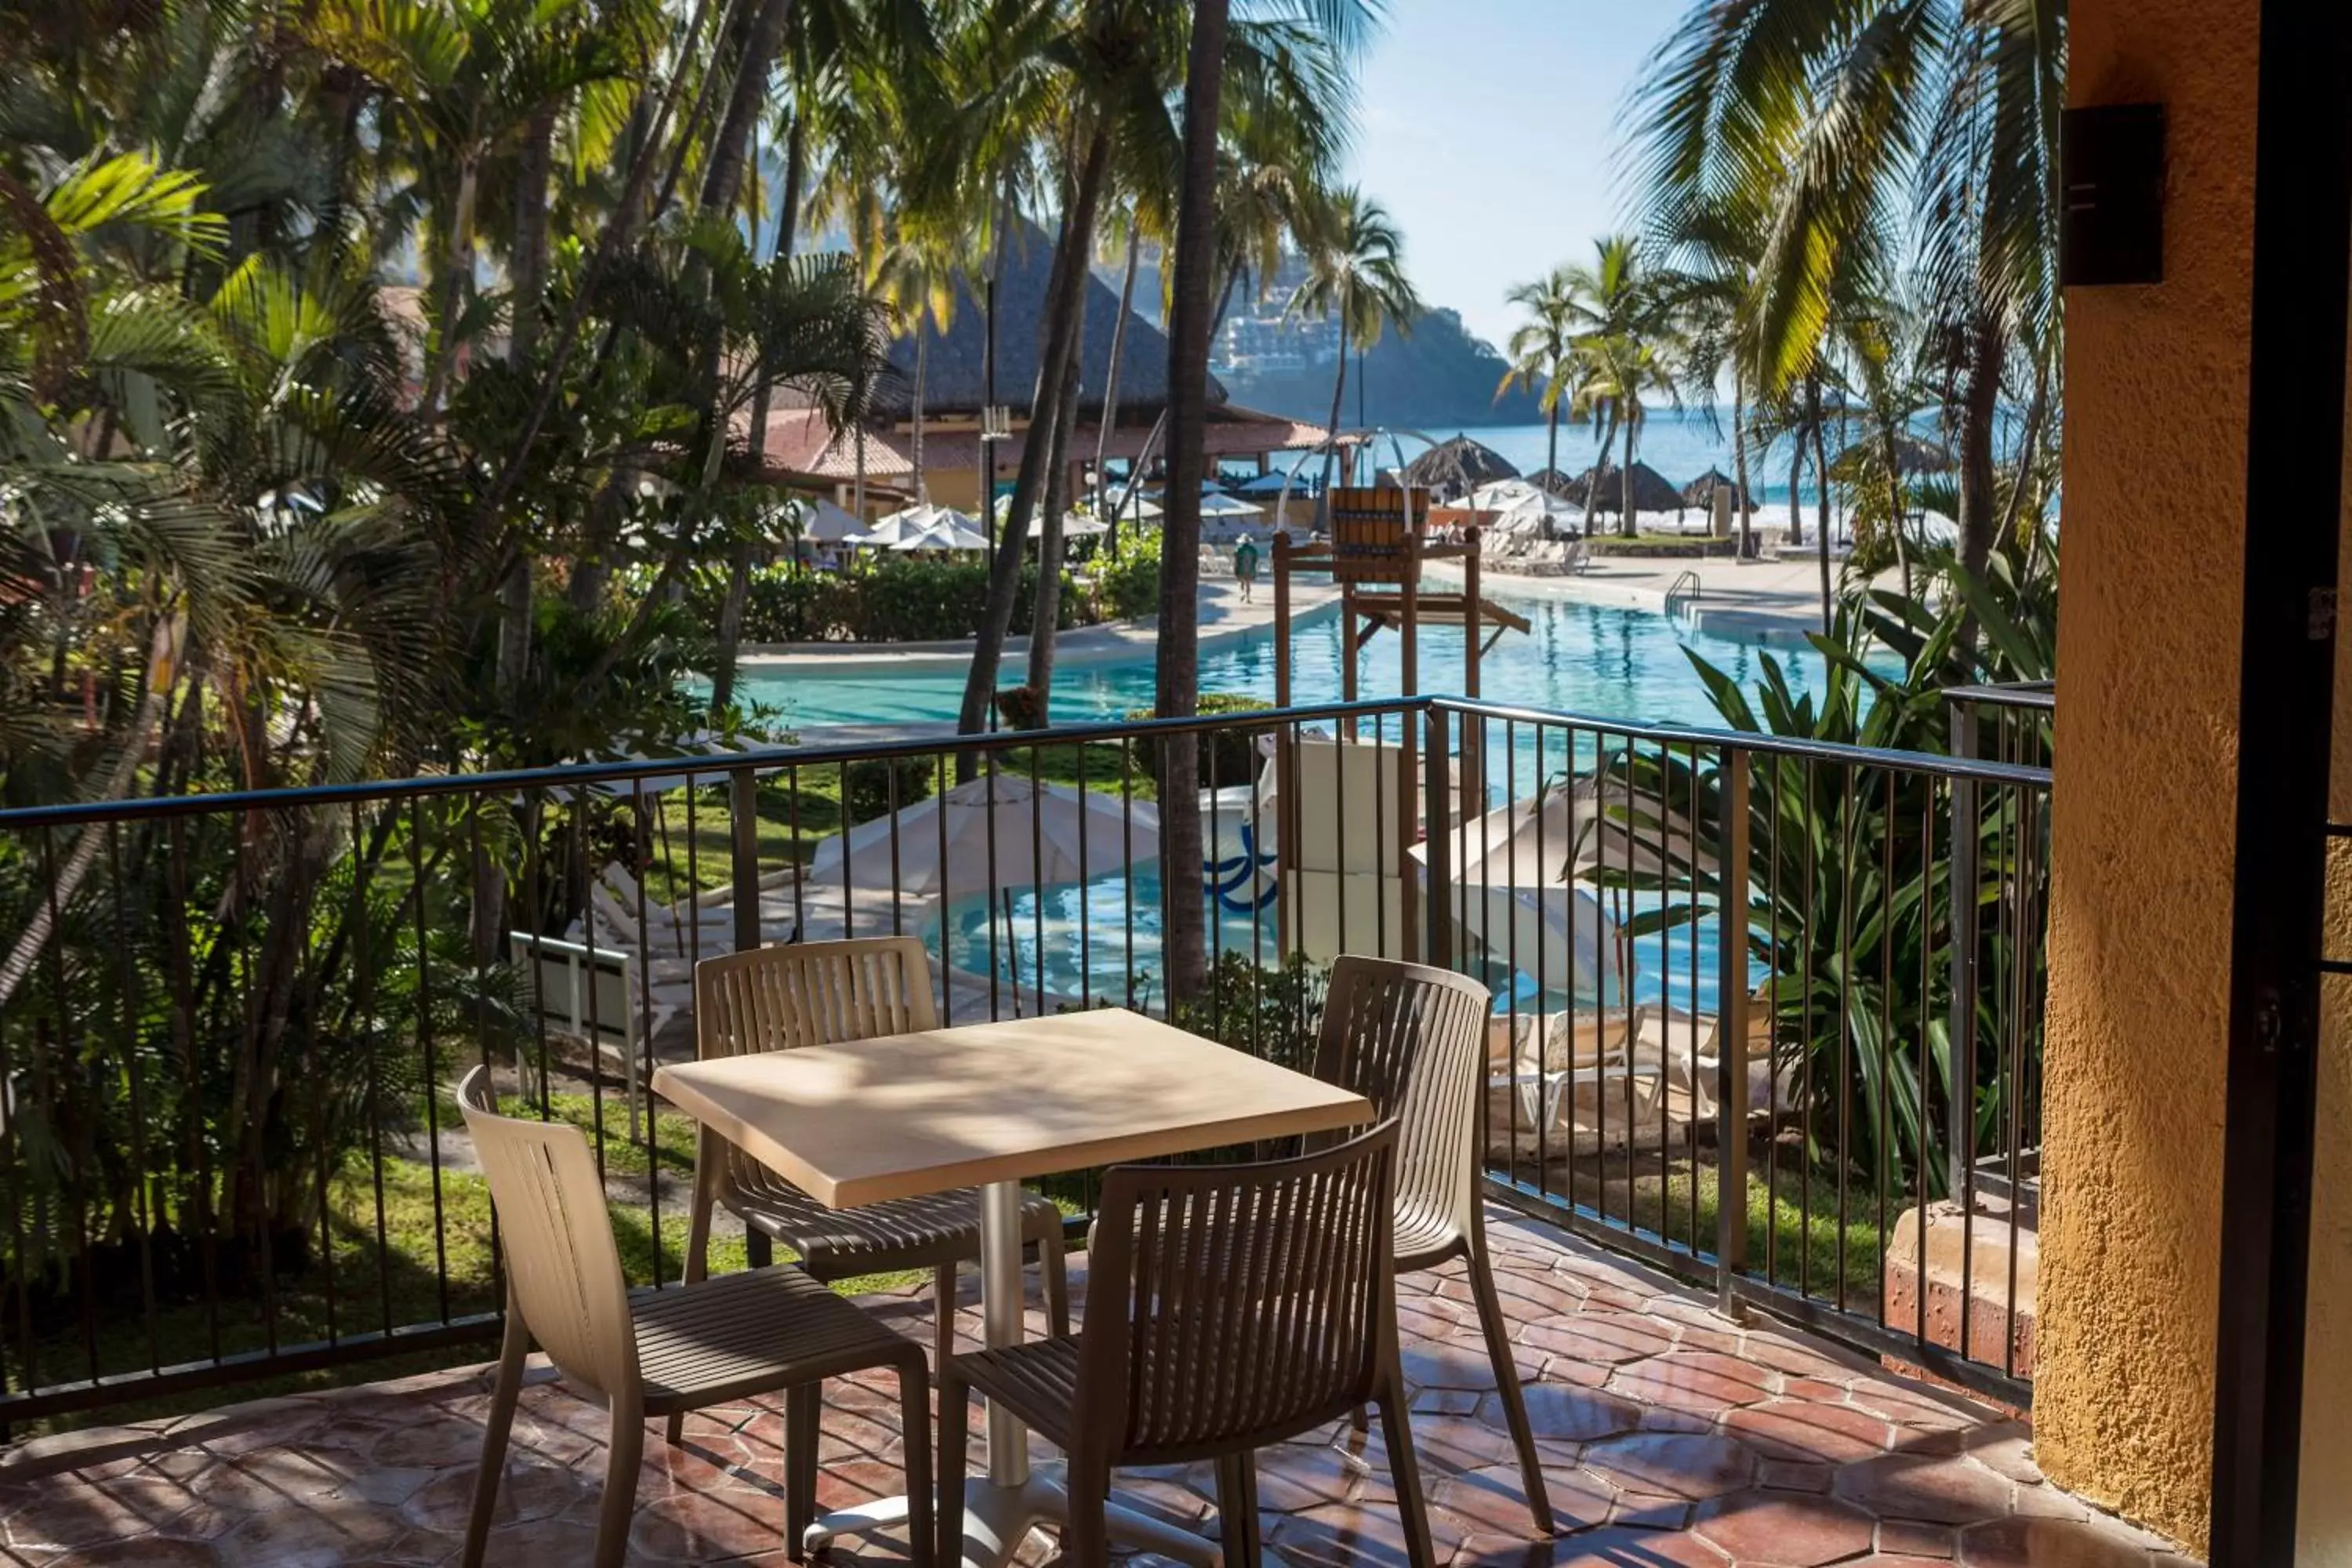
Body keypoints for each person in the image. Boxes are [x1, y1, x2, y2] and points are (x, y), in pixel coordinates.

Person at [1232, 533, 1261, 602]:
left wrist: (1235, 568)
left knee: (1242, 582)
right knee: (1248, 583)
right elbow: (1255, 559)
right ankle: (1248, 598)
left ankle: (1243, 593)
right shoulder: (1253, 549)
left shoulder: (1239, 549)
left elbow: (1236, 559)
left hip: (1241, 568)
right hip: (1250, 568)